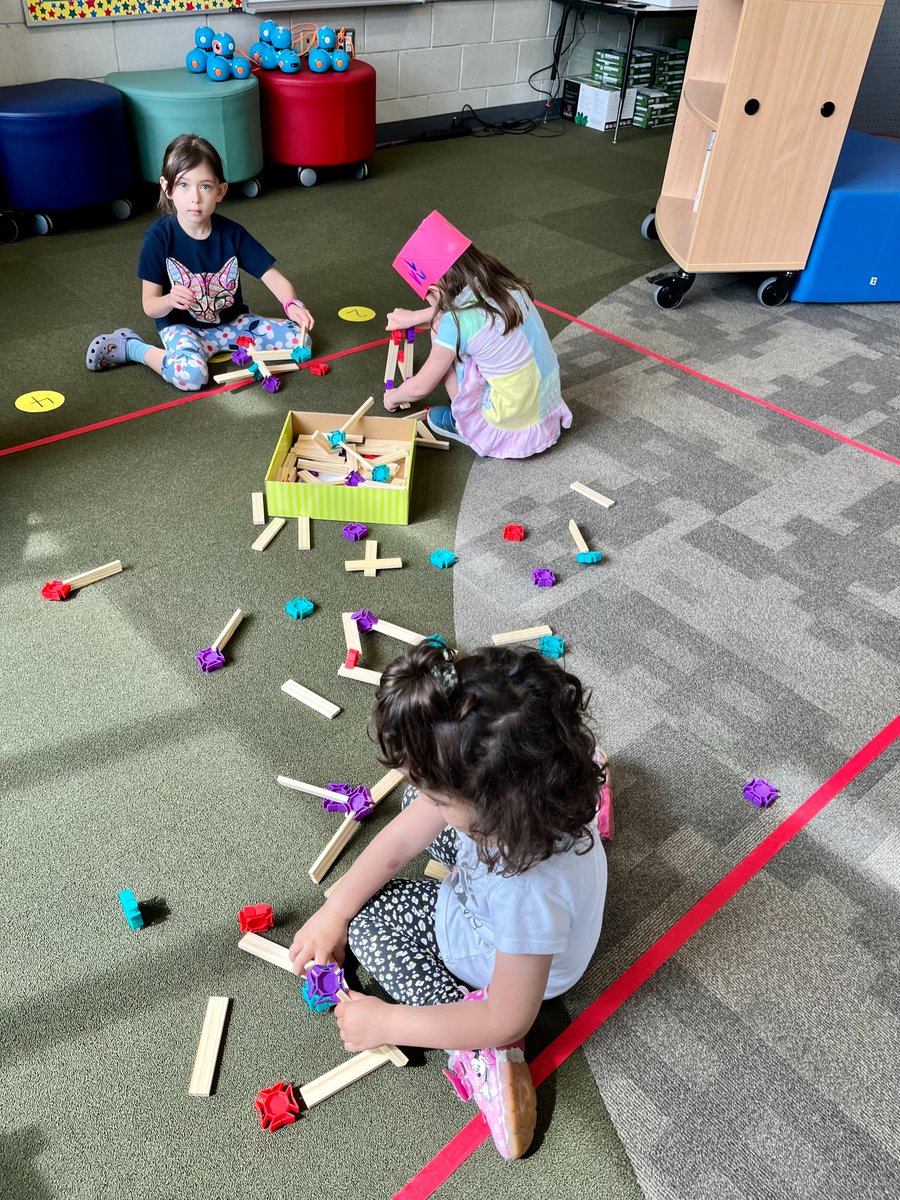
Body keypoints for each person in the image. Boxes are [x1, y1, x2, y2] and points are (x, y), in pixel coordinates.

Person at [288, 642, 611, 1161]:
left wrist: (387, 1022)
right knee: (420, 805)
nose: (428, 799)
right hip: (533, 854)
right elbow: (399, 840)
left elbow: (509, 1015)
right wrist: (334, 908)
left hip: (507, 964)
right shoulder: (520, 793)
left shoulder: (526, 893)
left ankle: (485, 1059)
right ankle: (584, 786)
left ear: (495, 806)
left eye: (444, 798)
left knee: (374, 928)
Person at [85, 133, 314, 391]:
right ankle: (133, 348)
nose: (195, 197)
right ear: (167, 187)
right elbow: (150, 305)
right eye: (183, 185)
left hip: (231, 324)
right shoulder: (159, 238)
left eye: (205, 186)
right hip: (182, 327)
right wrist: (171, 300)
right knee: (192, 377)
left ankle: (210, 349)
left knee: (301, 341)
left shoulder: (232, 234)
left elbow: (271, 276)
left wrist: (292, 304)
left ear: (220, 191)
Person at [382, 211, 572, 458]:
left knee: (440, 331)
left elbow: (421, 387)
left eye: (428, 298)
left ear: (432, 289)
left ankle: (465, 424)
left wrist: (393, 397)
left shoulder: (454, 322)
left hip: (508, 419)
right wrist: (416, 316)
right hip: (545, 403)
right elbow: (472, 313)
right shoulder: (503, 284)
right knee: (451, 326)